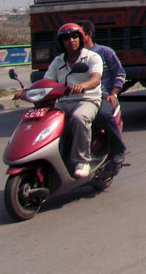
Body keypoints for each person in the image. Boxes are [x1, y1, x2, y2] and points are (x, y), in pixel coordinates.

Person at [43, 23, 103, 178]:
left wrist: (82, 86)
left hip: (87, 100)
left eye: (75, 36)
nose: (71, 40)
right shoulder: (58, 61)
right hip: (63, 101)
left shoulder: (92, 57)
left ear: (81, 38)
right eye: (66, 38)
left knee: (79, 118)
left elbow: (95, 79)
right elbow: (47, 82)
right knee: (44, 121)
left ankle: (82, 161)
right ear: (61, 42)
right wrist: (25, 92)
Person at [79, 20, 127, 164]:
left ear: (89, 34)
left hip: (103, 95)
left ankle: (118, 149)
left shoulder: (104, 53)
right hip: (79, 97)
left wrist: (113, 93)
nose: (72, 39)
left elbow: (120, 74)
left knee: (104, 115)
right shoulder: (72, 57)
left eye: (78, 34)